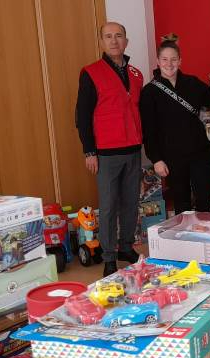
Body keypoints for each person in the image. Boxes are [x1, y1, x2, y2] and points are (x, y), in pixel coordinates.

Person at [75, 21, 143, 277]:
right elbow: (82, 115)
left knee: (131, 203)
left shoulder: (136, 74)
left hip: (133, 148)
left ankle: (126, 246)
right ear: (101, 42)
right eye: (108, 36)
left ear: (126, 41)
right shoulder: (90, 72)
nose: (114, 41)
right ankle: (109, 256)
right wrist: (89, 151)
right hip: (106, 152)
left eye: (119, 36)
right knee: (109, 205)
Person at [140, 35, 210, 214]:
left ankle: (206, 237)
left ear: (180, 60)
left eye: (173, 59)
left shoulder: (193, 83)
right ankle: (185, 241)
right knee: (181, 203)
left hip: (200, 153)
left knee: (205, 198)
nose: (169, 63)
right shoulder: (149, 92)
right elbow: (148, 130)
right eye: (164, 59)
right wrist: (156, 159)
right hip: (172, 157)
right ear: (158, 61)